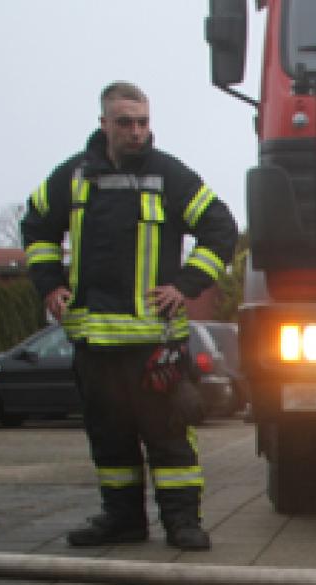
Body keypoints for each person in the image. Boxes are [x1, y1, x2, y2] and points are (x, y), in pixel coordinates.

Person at [22, 81, 238, 550]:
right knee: (109, 438)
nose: (136, 131)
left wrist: (186, 285)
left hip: (153, 345)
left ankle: (183, 522)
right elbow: (36, 225)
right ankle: (123, 521)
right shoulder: (72, 178)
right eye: (125, 123)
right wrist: (50, 284)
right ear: (104, 124)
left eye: (143, 122)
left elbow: (221, 228)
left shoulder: (169, 176)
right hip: (94, 344)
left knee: (168, 436)